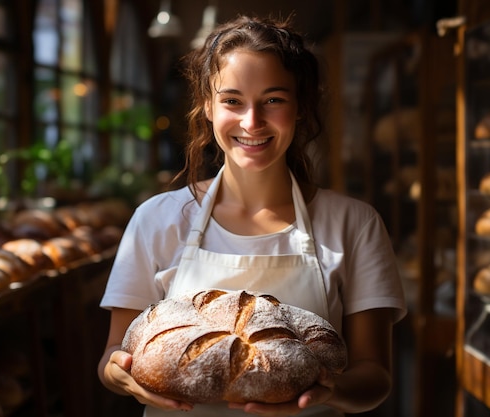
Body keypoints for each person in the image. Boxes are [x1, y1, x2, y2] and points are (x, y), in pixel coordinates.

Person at [98, 14, 406, 417]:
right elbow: (113, 355)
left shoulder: (354, 224)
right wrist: (119, 375)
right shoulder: (157, 220)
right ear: (207, 107)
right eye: (232, 101)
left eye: (273, 100)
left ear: (300, 107)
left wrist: (326, 393)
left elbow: (375, 377)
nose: (252, 122)